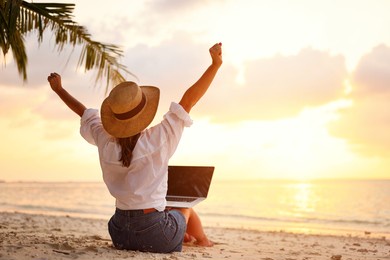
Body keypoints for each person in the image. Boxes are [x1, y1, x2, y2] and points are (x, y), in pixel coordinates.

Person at [47, 43, 222, 253]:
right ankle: (203, 241)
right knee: (184, 208)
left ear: (114, 118)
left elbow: (83, 112)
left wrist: (59, 90)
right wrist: (215, 64)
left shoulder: (105, 139)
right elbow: (189, 100)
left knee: (168, 215)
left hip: (119, 232)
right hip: (153, 232)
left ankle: (181, 236)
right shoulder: (160, 137)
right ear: (143, 115)